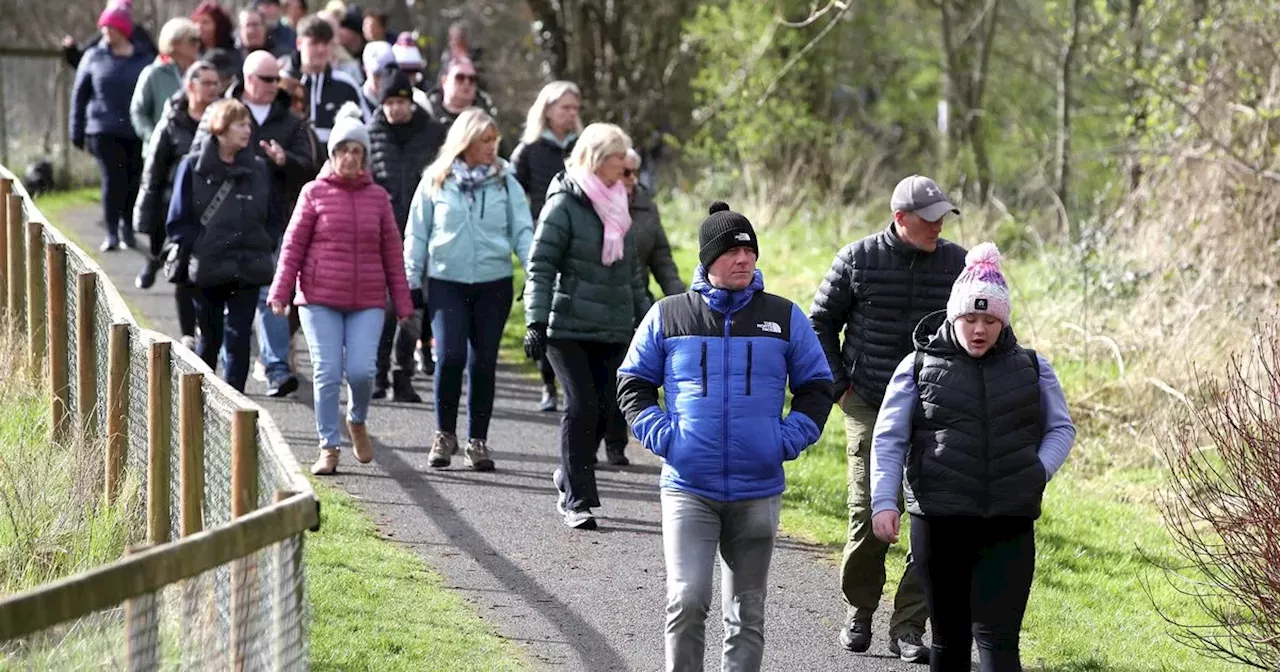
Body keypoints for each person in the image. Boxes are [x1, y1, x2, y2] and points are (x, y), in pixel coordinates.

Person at [616, 201, 835, 671]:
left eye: (750, 251)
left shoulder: (784, 316)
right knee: (687, 600)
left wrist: (786, 439)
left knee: (746, 613)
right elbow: (632, 384)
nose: (744, 259)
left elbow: (818, 387)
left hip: (758, 491)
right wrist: (665, 437)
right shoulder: (669, 315)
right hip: (688, 488)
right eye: (732, 252)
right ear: (708, 259)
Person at [870, 243, 1076, 672]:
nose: (979, 329)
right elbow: (889, 437)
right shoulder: (918, 365)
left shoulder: (1034, 368)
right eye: (970, 318)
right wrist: (884, 502)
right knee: (950, 639)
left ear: (1003, 320)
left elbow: (1061, 428)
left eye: (989, 320)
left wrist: (1038, 471)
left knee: (1000, 643)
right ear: (953, 316)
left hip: (1009, 522)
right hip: (940, 521)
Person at [808, 174, 968, 662]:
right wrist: (841, 389)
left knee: (932, 516)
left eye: (943, 216)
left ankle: (908, 627)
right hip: (870, 402)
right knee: (869, 512)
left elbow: (981, 327)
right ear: (900, 218)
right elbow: (819, 324)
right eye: (929, 218)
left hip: (935, 407)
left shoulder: (958, 264)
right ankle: (860, 611)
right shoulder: (857, 260)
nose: (939, 225)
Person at [268, 108, 412, 476]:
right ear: (332, 155)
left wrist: (404, 301)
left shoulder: (378, 198)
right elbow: (292, 246)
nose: (350, 157)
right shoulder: (313, 193)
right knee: (328, 372)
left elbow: (393, 253)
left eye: (357, 152)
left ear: (364, 158)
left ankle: (357, 420)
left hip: (367, 301)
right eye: (343, 150)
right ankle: (328, 446)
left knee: (363, 372)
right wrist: (281, 292)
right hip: (319, 299)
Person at [521, 123, 650, 529]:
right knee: (581, 405)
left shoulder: (620, 203)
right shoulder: (564, 204)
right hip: (567, 327)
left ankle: (567, 473)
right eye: (618, 159)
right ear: (598, 159)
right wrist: (535, 322)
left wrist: (650, 323)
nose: (625, 167)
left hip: (612, 325)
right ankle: (576, 500)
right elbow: (540, 266)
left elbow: (632, 275)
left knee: (607, 408)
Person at [404, 109, 534, 473]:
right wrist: (411, 281)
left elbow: (522, 231)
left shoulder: (506, 182)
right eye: (485, 140)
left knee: (483, 362)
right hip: (446, 281)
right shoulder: (435, 180)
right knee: (450, 356)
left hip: (494, 283)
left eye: (495, 140)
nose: (493, 147)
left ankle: (478, 441)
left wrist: (533, 272)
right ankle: (444, 434)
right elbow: (417, 233)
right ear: (465, 142)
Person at [165, 99, 282, 392]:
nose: (248, 129)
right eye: (240, 124)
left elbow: (275, 215)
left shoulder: (258, 168)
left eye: (248, 124)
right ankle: (200, 405)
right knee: (210, 338)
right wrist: (201, 245)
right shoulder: (192, 167)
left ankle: (234, 410)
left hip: (249, 266)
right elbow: (177, 219)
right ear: (221, 128)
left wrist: (265, 242)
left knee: (239, 336)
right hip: (208, 267)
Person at [231, 50, 320, 397]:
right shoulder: (227, 113)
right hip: (231, 219)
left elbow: (309, 165)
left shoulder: (291, 121)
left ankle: (276, 367)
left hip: (276, 217)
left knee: (272, 291)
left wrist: (285, 160)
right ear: (249, 78)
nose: (273, 86)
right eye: (266, 79)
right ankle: (231, 371)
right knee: (236, 296)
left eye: (276, 79)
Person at [596, 147, 685, 467]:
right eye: (626, 172)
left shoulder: (646, 206)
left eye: (635, 172)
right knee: (598, 377)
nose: (632, 179)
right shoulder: (596, 202)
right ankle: (588, 440)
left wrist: (680, 297)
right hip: (593, 301)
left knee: (625, 370)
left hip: (632, 299)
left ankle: (617, 442)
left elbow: (661, 256)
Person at [367, 69, 446, 402]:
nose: (395, 109)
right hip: (384, 234)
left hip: (425, 232)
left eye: (401, 101)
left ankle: (403, 374)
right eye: (389, 102)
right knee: (385, 308)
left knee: (413, 306)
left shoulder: (433, 133)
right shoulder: (371, 134)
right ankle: (379, 373)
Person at [133, 61, 221, 354]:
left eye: (215, 83)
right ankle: (188, 333)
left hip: (215, 211)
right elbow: (153, 173)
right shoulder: (172, 123)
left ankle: (205, 328)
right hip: (177, 209)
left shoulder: (222, 121)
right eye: (206, 82)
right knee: (183, 271)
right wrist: (146, 216)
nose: (213, 88)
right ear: (190, 86)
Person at [510, 80, 582, 414]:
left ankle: (572, 384)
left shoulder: (582, 147)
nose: (571, 114)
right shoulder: (530, 149)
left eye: (574, 108)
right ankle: (547, 386)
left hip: (581, 240)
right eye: (565, 107)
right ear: (548, 109)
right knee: (546, 312)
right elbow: (511, 192)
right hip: (545, 238)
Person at [71, 2, 152, 252]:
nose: (107, 33)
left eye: (112, 28)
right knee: (112, 179)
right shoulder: (93, 56)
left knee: (133, 179)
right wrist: (76, 129)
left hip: (135, 130)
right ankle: (111, 231)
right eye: (104, 28)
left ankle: (128, 227)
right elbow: (79, 95)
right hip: (103, 129)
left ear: (124, 30)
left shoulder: (144, 58)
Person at [288, 16, 366, 143]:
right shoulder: (282, 83)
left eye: (326, 43)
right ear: (299, 43)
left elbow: (363, 130)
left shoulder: (346, 85)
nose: (321, 49)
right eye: (314, 43)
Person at [129, 18, 200, 148]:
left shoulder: (201, 72)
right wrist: (154, 139)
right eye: (192, 40)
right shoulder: (153, 73)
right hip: (162, 155)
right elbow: (138, 112)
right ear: (175, 43)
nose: (197, 44)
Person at [61, 0, 157, 70]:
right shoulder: (104, 37)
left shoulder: (140, 35)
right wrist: (71, 50)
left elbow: (155, 61)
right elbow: (82, 61)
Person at [423, 58, 498, 130]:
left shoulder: (487, 118)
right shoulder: (424, 112)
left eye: (472, 79)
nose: (467, 83)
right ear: (444, 81)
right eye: (460, 77)